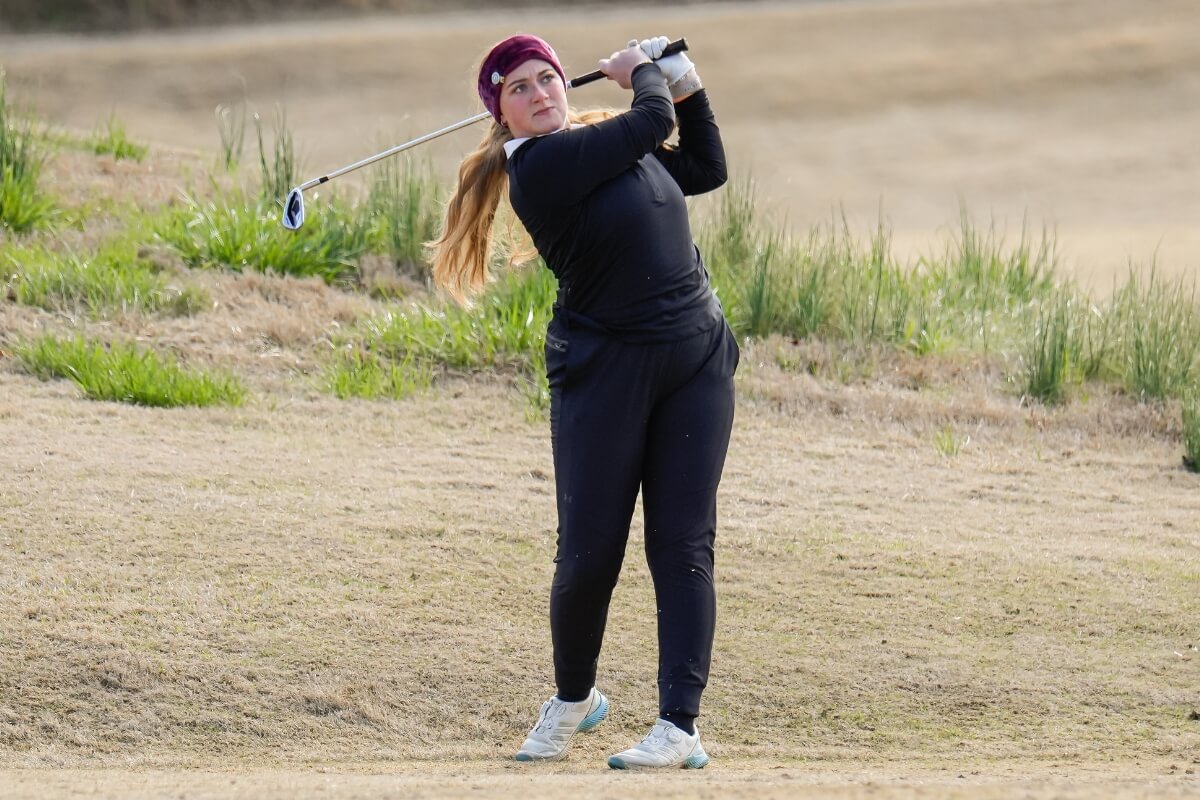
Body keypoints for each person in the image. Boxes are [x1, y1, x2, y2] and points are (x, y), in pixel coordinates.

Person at [430, 33, 738, 770]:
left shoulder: (604, 144)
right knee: (589, 553)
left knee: (683, 545)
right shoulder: (537, 166)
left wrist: (686, 83)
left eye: (548, 79)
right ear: (501, 114)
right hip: (605, 369)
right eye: (521, 89)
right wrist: (646, 76)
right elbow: (647, 122)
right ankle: (575, 700)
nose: (542, 93)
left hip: (695, 359)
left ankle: (678, 727)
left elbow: (704, 167)